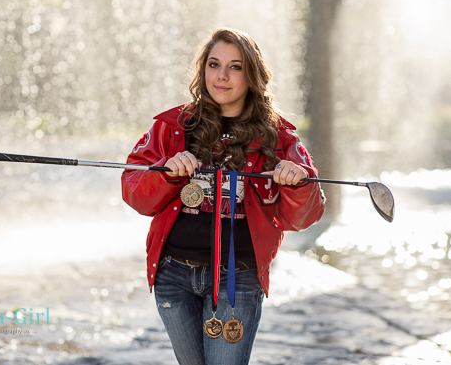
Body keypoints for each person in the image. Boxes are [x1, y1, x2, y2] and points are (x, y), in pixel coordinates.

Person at [121, 28, 325, 365]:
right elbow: (135, 192)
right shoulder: (172, 126)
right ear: (203, 70)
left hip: (237, 277)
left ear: (252, 75)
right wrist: (164, 171)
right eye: (214, 64)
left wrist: (297, 184)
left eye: (235, 67)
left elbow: (303, 217)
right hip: (174, 274)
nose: (222, 76)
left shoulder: (280, 137)